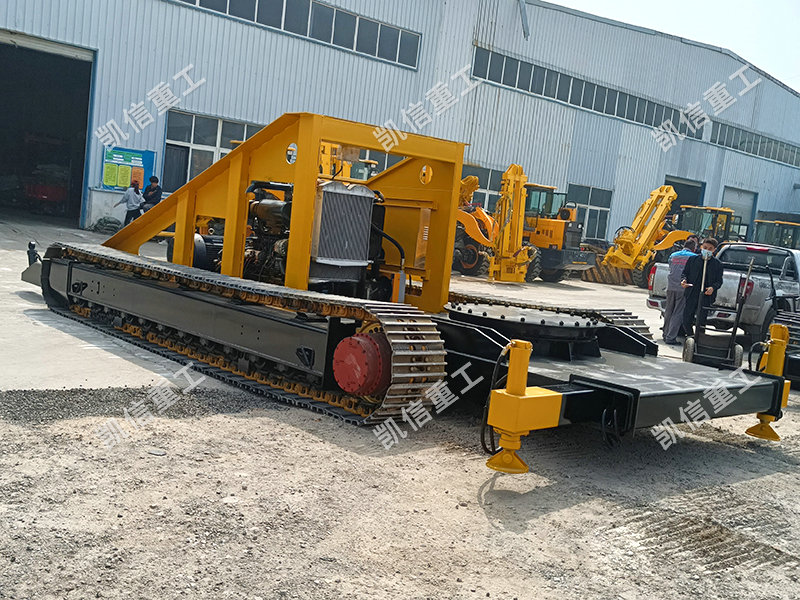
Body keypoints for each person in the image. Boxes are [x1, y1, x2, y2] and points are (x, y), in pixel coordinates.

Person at [681, 237, 724, 336]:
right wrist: (683, 281)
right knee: (686, 319)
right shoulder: (693, 260)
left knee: (701, 321)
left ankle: (699, 338)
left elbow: (719, 281)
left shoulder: (717, 264)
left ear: (714, 250)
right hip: (692, 293)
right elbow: (685, 273)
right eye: (705, 247)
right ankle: (690, 336)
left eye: (710, 249)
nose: (707, 250)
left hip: (706, 295)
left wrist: (713, 288)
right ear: (701, 247)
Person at [662, 238, 697, 345]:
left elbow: (671, 267)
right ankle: (671, 337)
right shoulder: (694, 257)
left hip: (670, 286)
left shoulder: (673, 255)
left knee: (668, 311)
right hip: (683, 287)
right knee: (677, 313)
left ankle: (665, 334)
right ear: (694, 248)